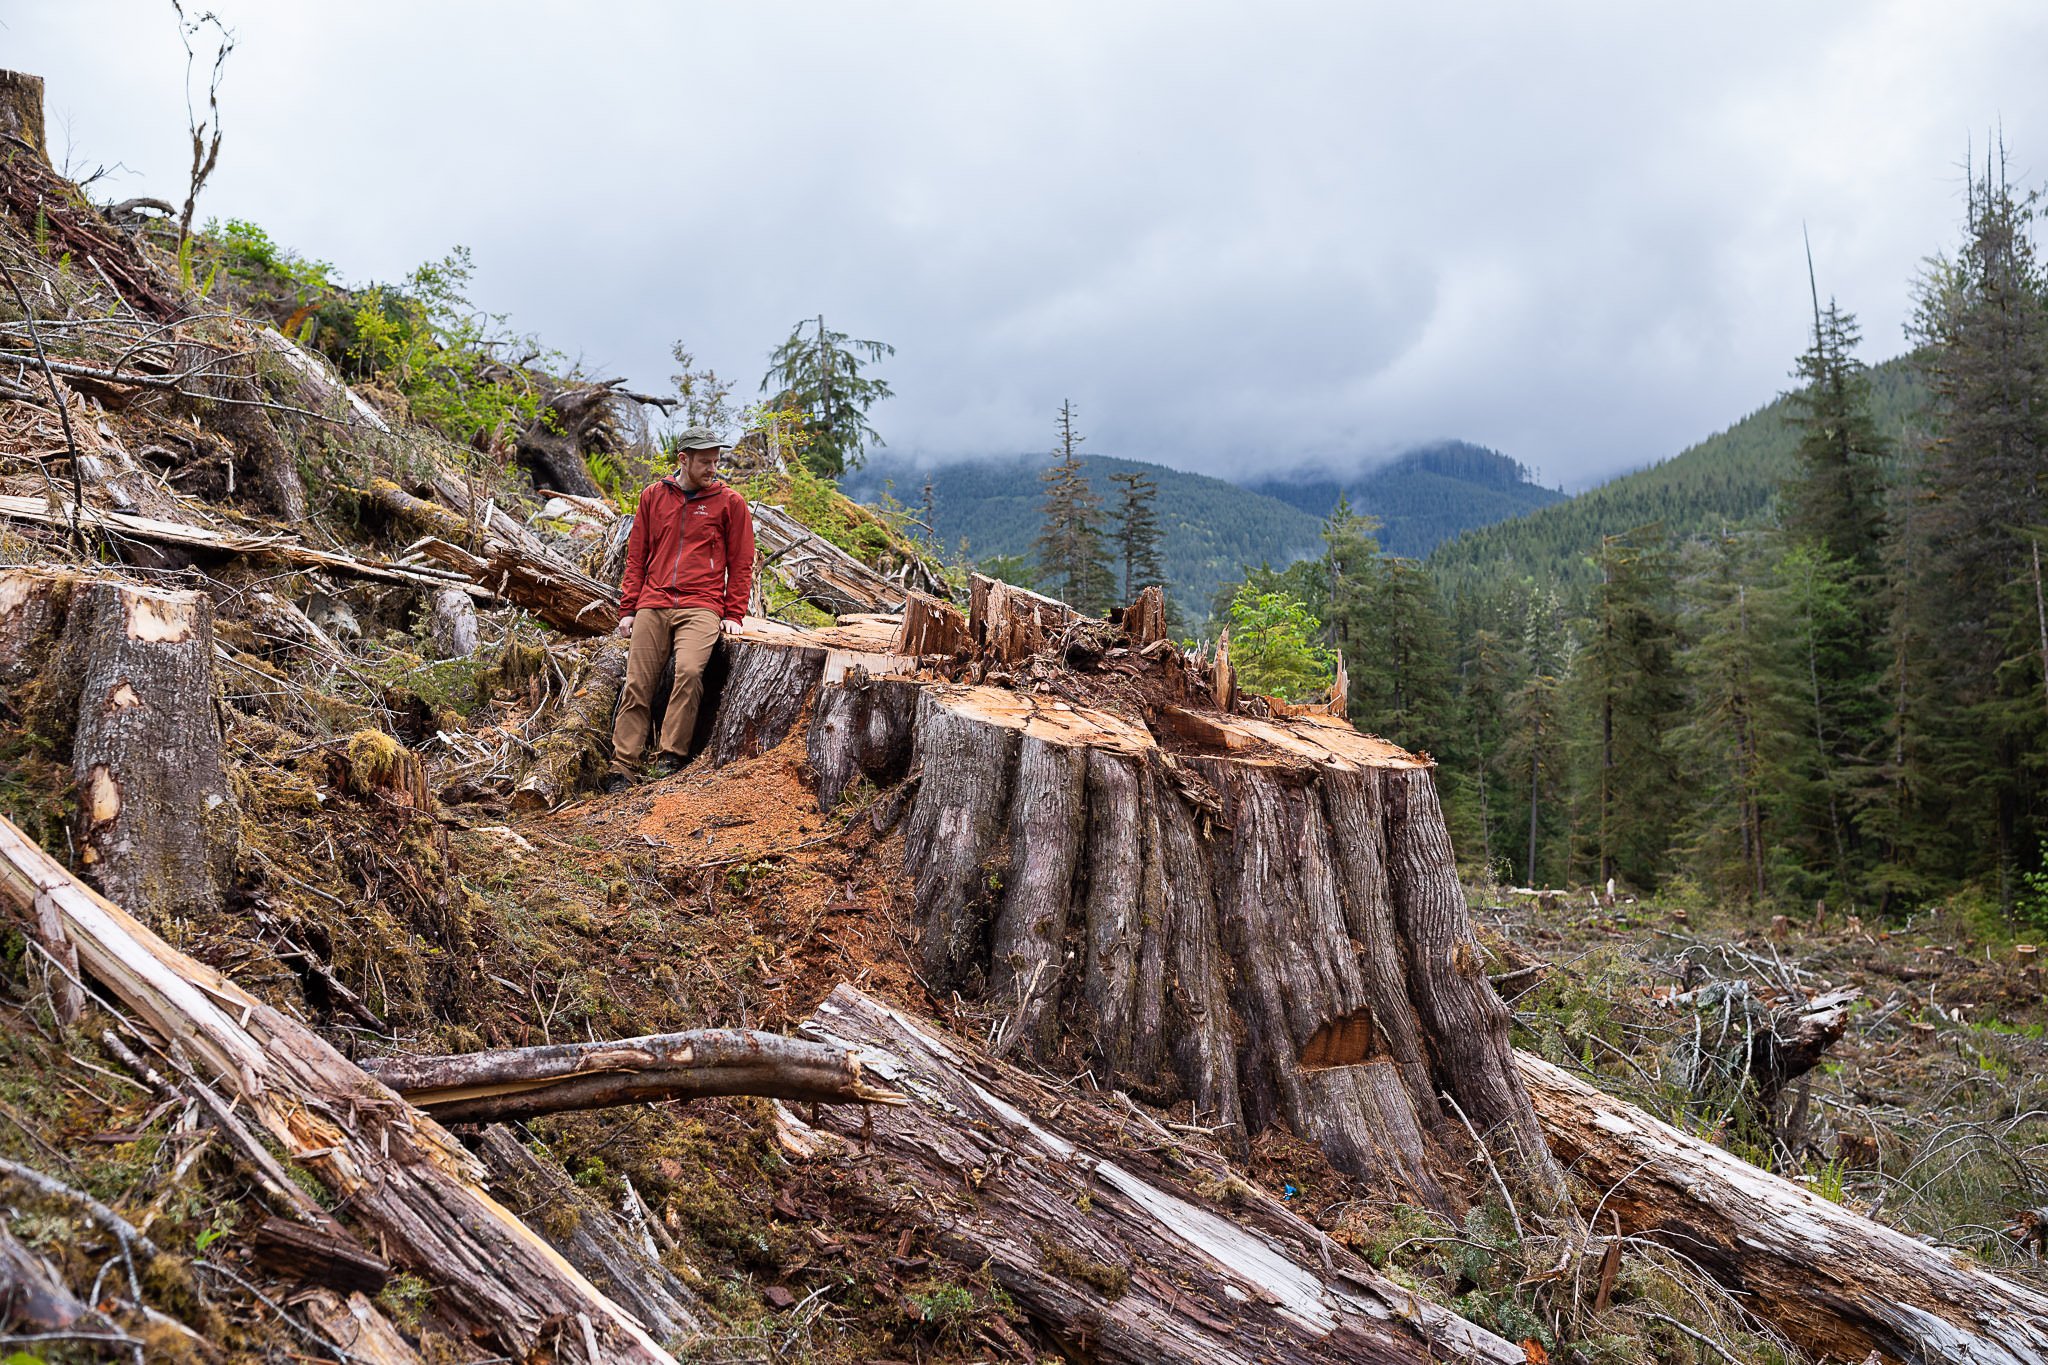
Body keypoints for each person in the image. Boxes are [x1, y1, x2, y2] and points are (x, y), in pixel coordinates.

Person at [602, 427, 754, 792]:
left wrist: (733, 614)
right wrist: (628, 609)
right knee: (638, 683)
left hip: (702, 605)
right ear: (683, 460)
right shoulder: (654, 497)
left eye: (716, 460)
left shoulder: (729, 502)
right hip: (652, 602)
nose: (712, 468)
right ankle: (622, 765)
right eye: (705, 461)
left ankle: (670, 757)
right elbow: (636, 556)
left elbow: (742, 561)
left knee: (688, 672)